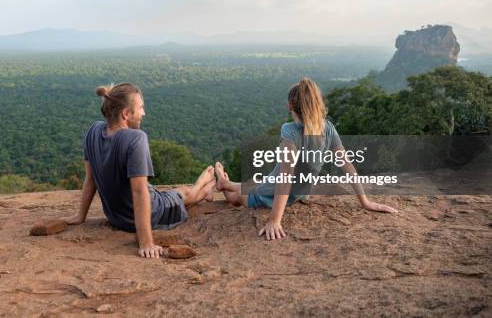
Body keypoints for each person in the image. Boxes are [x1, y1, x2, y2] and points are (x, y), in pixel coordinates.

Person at [215, 77, 398, 241]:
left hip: (272, 195)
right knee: (258, 184)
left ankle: (224, 185)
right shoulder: (328, 128)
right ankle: (225, 182)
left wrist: (274, 221)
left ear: (290, 107)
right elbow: (347, 166)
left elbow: (285, 179)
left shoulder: (290, 131)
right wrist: (364, 201)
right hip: (296, 192)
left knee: (238, 198)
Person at [63, 82, 216, 259]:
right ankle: (205, 188)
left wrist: (80, 215)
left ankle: (205, 186)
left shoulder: (93, 131)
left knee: (173, 194)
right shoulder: (136, 138)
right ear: (126, 114)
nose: (144, 113)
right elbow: (139, 191)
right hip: (152, 213)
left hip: (116, 218)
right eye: (141, 108)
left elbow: (90, 178)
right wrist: (146, 242)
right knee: (183, 193)